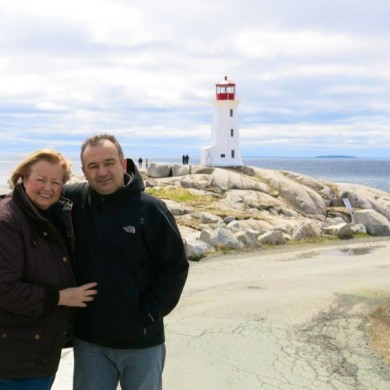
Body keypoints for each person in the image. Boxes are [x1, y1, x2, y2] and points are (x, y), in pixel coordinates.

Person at [62, 134, 189, 390]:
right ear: (83, 171)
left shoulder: (151, 209)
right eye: (93, 166)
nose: (102, 172)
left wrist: (149, 313)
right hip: (90, 341)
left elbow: (175, 267)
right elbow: (31, 197)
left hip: (142, 342)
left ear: (123, 164)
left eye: (109, 163)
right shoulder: (73, 200)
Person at [0, 149, 97, 390]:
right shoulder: (8, 221)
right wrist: (63, 297)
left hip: (38, 350)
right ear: (22, 178)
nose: (48, 188)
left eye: (56, 182)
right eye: (40, 180)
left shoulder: (48, 214)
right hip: (16, 359)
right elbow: (5, 289)